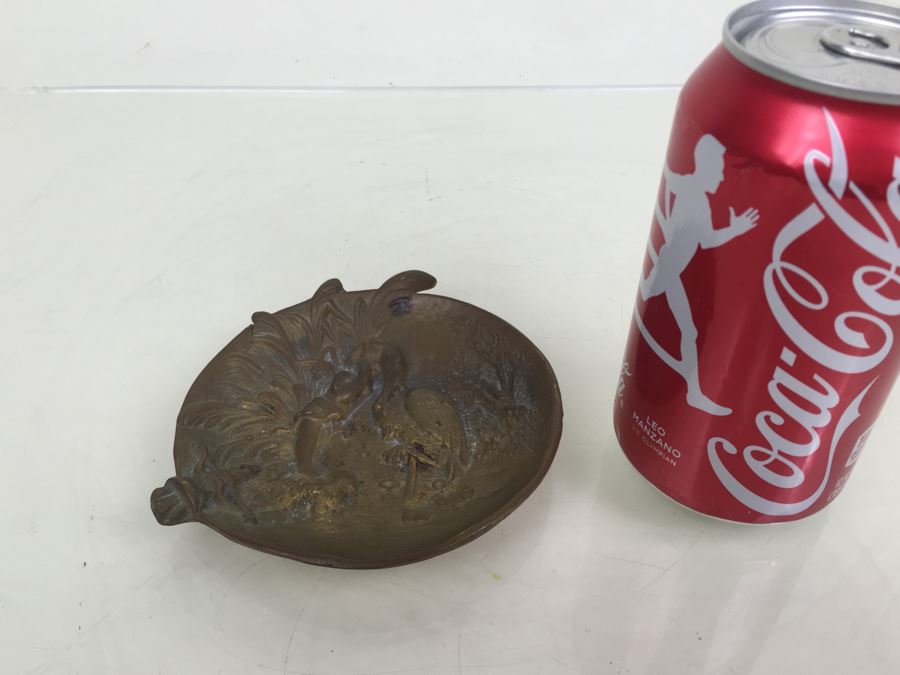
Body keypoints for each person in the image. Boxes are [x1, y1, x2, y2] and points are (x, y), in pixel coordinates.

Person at [637, 134, 759, 416]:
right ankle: (681, 388)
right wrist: (737, 229)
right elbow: (707, 240)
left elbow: (676, 179)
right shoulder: (696, 196)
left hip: (673, 269)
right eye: (718, 168)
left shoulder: (692, 189)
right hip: (669, 269)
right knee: (648, 300)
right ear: (705, 166)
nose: (721, 176)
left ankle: (693, 393)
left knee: (687, 329)